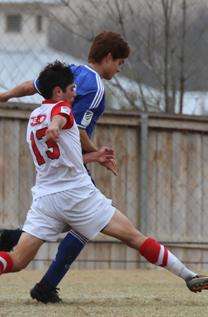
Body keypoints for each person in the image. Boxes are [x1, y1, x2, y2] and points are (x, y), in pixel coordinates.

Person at [0, 61, 208, 303]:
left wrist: (93, 156)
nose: (75, 93)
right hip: (78, 196)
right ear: (58, 91)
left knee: (17, 261)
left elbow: (62, 157)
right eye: (71, 89)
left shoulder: (34, 117)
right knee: (135, 238)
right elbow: (60, 117)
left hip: (46, 200)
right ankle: (189, 275)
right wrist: (56, 127)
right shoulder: (63, 110)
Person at [0, 31, 130, 303]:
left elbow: (30, 86)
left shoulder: (69, 71)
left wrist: (6, 95)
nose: (119, 69)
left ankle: (11, 242)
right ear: (107, 58)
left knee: (66, 222)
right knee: (85, 224)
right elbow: (77, 126)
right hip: (71, 165)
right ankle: (46, 286)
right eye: (119, 63)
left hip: (55, 163)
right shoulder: (95, 87)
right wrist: (97, 152)